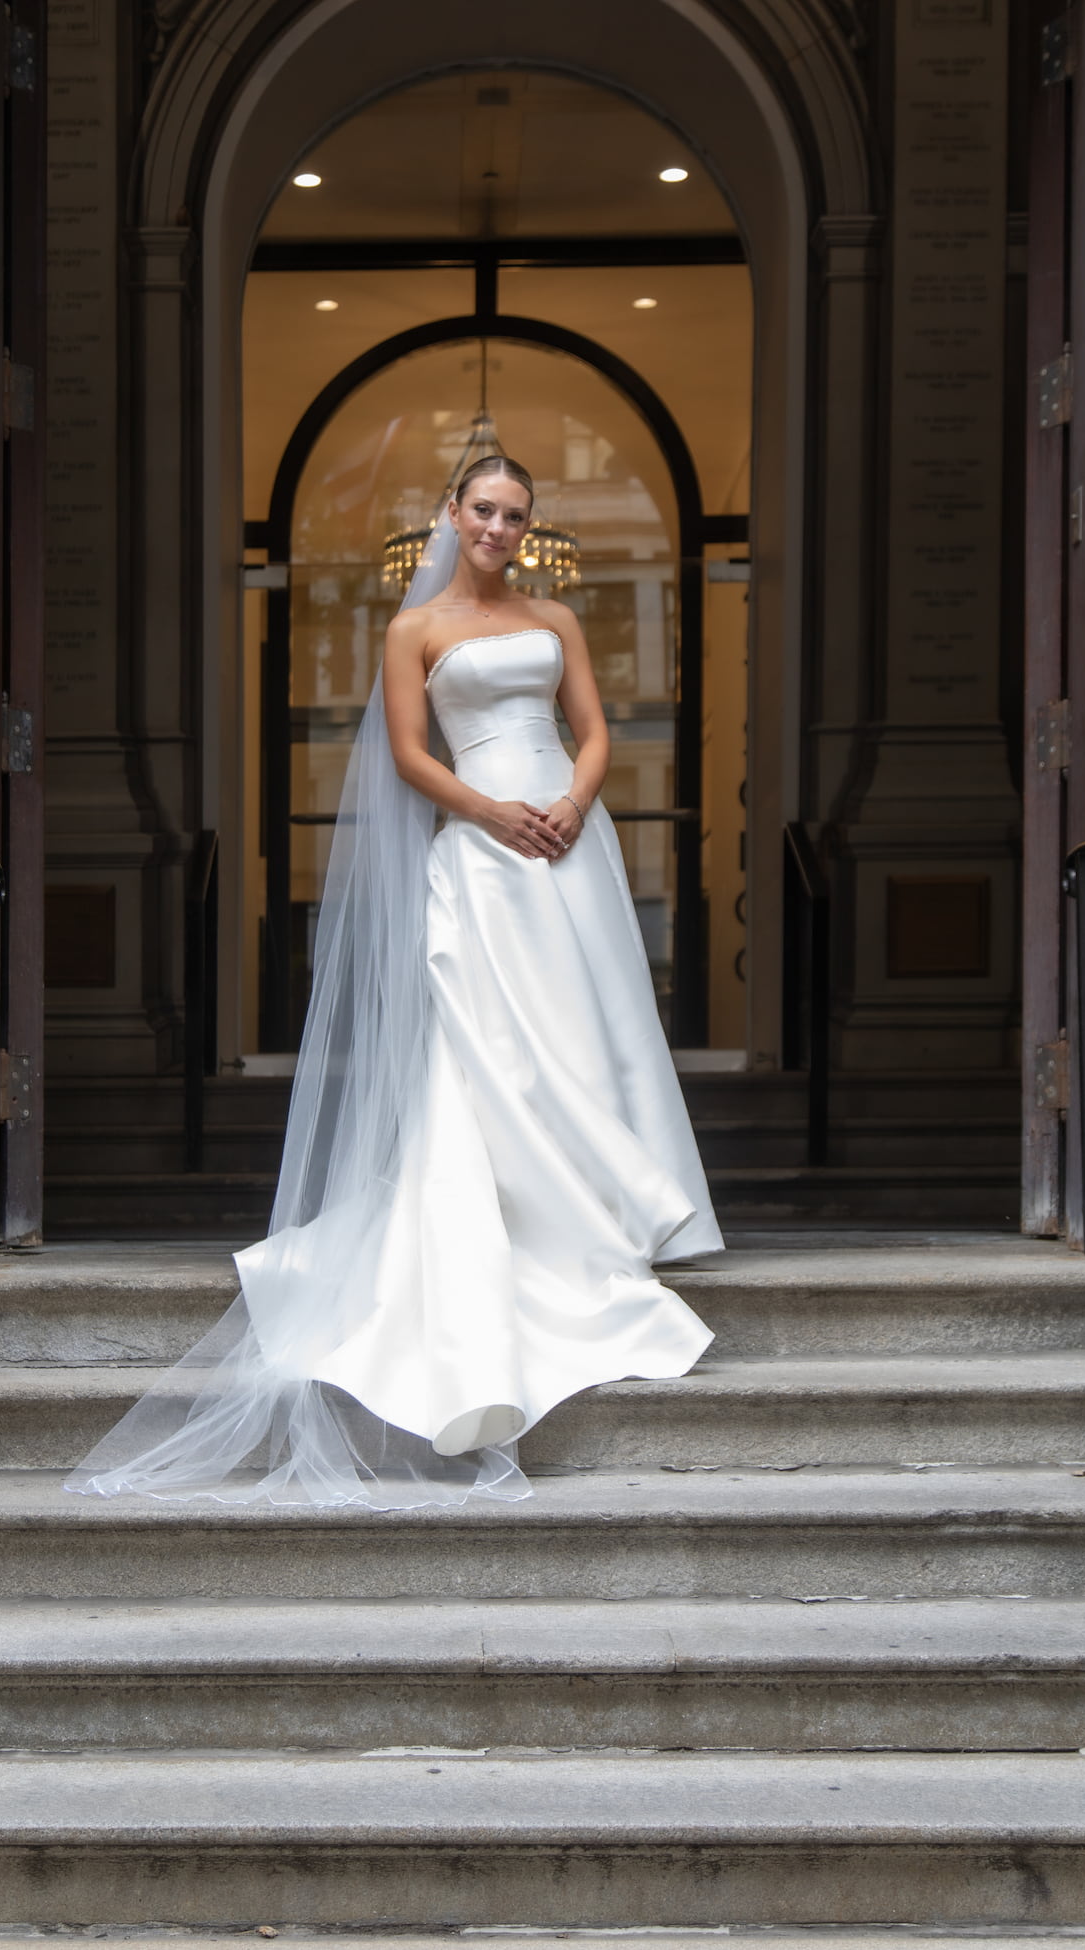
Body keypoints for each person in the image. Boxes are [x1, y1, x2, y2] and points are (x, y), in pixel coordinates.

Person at [66, 454, 721, 1509]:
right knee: (492, 1031)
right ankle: (525, 1210)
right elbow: (411, 757)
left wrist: (569, 800)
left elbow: (594, 729)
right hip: (480, 845)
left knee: (585, 1021)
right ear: (451, 515)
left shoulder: (554, 616)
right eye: (484, 511)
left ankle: (612, 1202)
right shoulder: (412, 630)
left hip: (567, 839)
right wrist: (490, 811)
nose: (499, 528)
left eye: (515, 515)